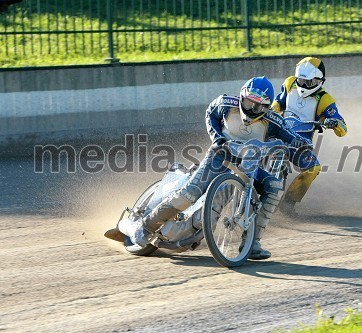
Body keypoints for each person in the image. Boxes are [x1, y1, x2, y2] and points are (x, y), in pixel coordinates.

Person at [106, 76, 310, 260]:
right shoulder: (225, 103)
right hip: (219, 156)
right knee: (189, 193)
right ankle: (145, 227)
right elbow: (210, 113)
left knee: (274, 187)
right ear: (241, 97)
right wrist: (217, 137)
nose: (251, 110)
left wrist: (302, 143)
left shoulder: (274, 121)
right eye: (248, 103)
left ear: (266, 108)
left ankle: (253, 242)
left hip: (250, 164)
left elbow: (292, 137)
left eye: (258, 108)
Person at [271, 57, 347, 215]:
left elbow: (343, 128)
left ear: (320, 81)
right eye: (302, 80)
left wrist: (333, 123)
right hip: (278, 132)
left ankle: (289, 202)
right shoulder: (289, 83)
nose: (304, 85)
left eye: (310, 82)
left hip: (300, 144)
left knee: (313, 168)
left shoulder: (325, 100)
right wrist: (271, 110)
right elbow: (279, 102)